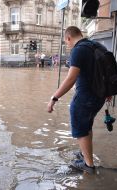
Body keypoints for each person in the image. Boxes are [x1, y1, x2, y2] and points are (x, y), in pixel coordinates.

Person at [47, 26, 110, 174]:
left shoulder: (78, 50)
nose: (67, 45)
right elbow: (108, 70)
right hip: (99, 96)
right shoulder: (97, 45)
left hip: (85, 97)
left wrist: (54, 98)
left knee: (81, 130)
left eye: (66, 42)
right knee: (87, 126)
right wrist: (108, 92)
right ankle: (84, 154)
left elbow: (71, 78)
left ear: (69, 38)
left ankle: (88, 165)